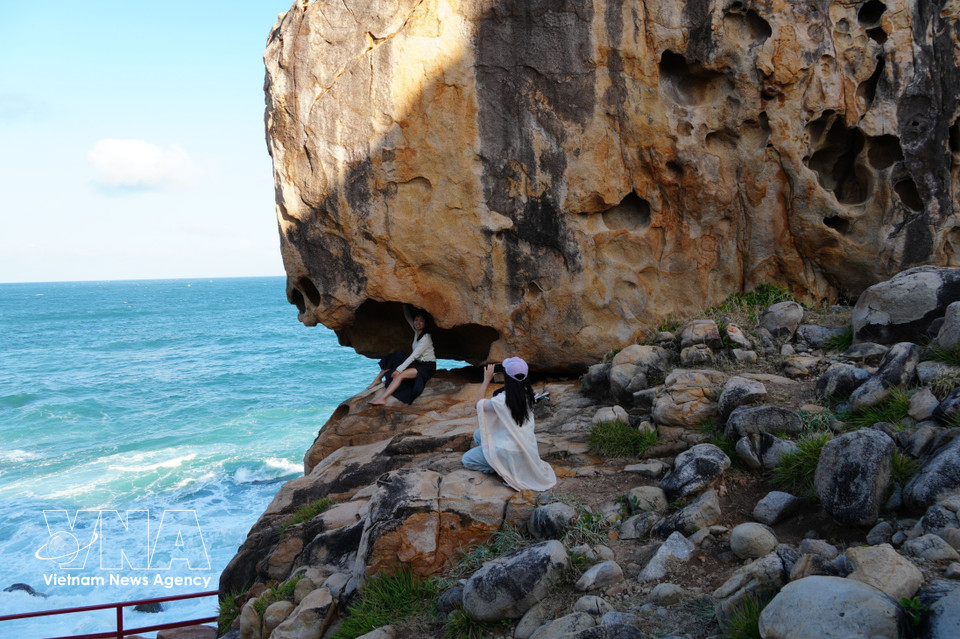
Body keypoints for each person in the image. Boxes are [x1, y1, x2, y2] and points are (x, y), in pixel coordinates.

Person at [461, 357, 556, 492]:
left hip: (506, 451)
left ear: (507, 377)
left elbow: (478, 404)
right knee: (478, 435)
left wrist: (486, 379)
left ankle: (499, 467)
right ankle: (499, 461)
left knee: (467, 460)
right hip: (524, 448)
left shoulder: (501, 400)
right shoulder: (529, 395)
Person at [367, 306, 436, 405]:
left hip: (427, 367)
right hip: (418, 363)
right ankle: (378, 379)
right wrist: (403, 303)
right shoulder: (417, 332)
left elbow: (413, 356)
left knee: (400, 375)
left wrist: (398, 370)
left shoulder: (426, 338)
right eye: (416, 320)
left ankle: (382, 399)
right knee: (397, 354)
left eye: (421, 321)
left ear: (426, 324)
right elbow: (408, 317)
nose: (418, 323)